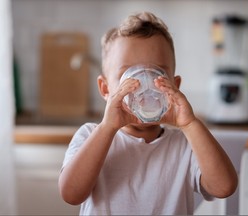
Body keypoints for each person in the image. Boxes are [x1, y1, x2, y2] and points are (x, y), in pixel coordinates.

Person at [58, 11, 238, 215]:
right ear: (105, 89)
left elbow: (224, 187)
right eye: (128, 76)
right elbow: (71, 194)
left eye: (156, 74)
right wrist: (107, 128)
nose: (143, 87)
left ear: (174, 86)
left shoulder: (185, 145)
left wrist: (190, 124)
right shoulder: (90, 135)